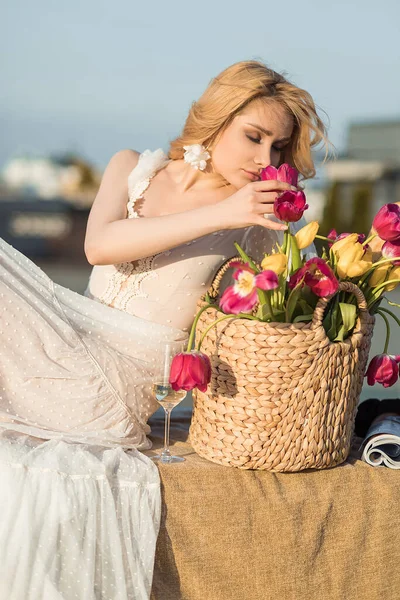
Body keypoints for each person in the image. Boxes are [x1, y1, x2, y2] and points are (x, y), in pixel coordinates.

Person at [0, 60, 328, 598]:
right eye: (254, 137)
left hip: (111, 393)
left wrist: (237, 217)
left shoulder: (258, 224)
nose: (265, 159)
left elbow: (300, 316)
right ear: (217, 119)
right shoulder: (131, 166)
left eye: (278, 147)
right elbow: (98, 246)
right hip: (65, 337)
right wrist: (221, 211)